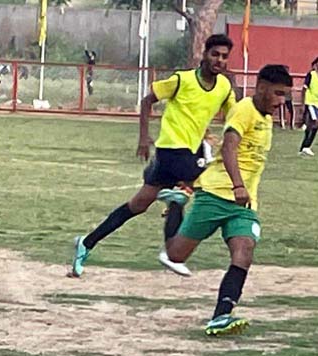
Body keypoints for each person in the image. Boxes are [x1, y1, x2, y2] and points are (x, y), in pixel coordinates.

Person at [70, 34, 236, 278]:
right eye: (215, 54)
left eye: (224, 56)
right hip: (171, 147)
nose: (219, 60)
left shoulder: (223, 87)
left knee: (138, 204)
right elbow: (147, 101)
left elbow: (235, 113)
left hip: (189, 150)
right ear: (204, 53)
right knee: (197, 182)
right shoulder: (182, 80)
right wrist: (142, 138)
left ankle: (87, 242)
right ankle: (172, 249)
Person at [163, 64, 293, 336]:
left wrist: (245, 192)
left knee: (244, 252)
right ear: (261, 88)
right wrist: (237, 185)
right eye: (278, 94)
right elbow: (230, 148)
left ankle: (221, 316)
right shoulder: (243, 110)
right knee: (176, 254)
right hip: (216, 194)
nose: (282, 102)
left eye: (285, 96)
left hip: (243, 205)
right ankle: (176, 203)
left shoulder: (266, 117)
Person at [299, 56, 318, 156]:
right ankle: (306, 147)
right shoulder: (311, 75)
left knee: (311, 126)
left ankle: (304, 147)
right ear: (316, 65)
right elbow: (304, 89)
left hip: (317, 103)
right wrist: (302, 104)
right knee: (316, 123)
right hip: (310, 102)